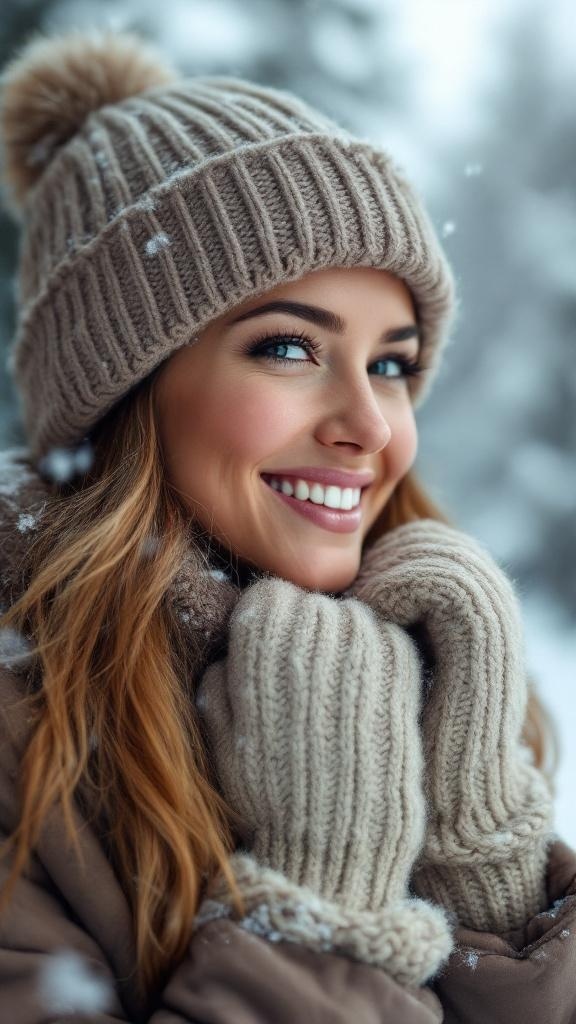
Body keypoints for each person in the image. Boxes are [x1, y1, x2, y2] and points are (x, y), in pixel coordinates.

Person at [0, 27, 573, 1024]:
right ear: (128, 391)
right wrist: (320, 909)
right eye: (289, 347)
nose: (368, 426)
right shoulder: (24, 740)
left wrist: (483, 862)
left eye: (391, 363)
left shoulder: (421, 671)